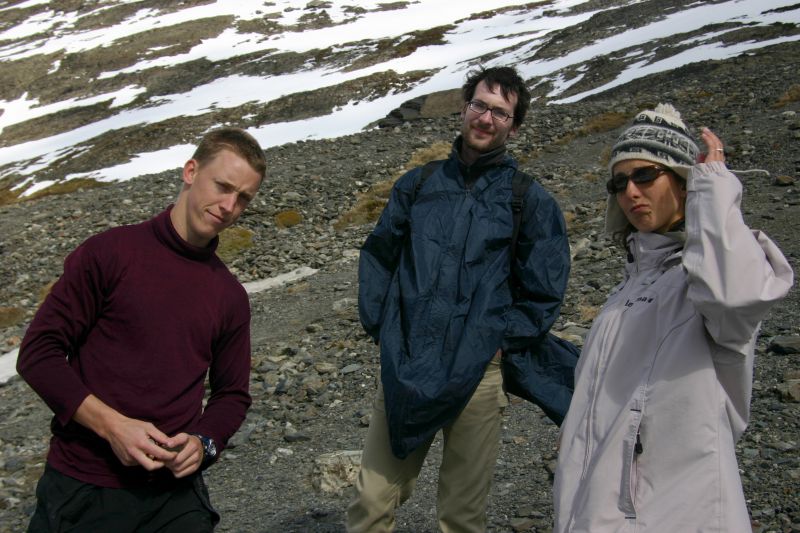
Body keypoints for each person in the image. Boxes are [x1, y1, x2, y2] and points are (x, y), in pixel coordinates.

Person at [347, 66, 571, 532]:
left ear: (514, 126)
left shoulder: (527, 200)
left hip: (479, 374)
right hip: (407, 363)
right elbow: (380, 257)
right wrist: (384, 329)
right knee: (372, 501)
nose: (486, 119)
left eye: (500, 113)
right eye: (479, 105)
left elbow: (544, 290)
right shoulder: (418, 185)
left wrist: (495, 344)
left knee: (461, 515)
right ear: (464, 108)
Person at [553, 104, 794, 532]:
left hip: (676, 509)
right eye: (619, 182)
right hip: (599, 508)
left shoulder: (702, 282)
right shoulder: (626, 289)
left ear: (684, 182)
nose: (630, 192)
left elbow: (736, 296)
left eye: (645, 175)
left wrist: (713, 187)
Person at [17, 127, 267, 532]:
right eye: (223, 187)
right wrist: (112, 426)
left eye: (243, 199)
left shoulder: (229, 295)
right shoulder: (109, 253)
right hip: (84, 486)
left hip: (174, 497)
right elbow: (38, 353)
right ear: (190, 171)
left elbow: (232, 395)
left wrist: (204, 443)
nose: (228, 206)